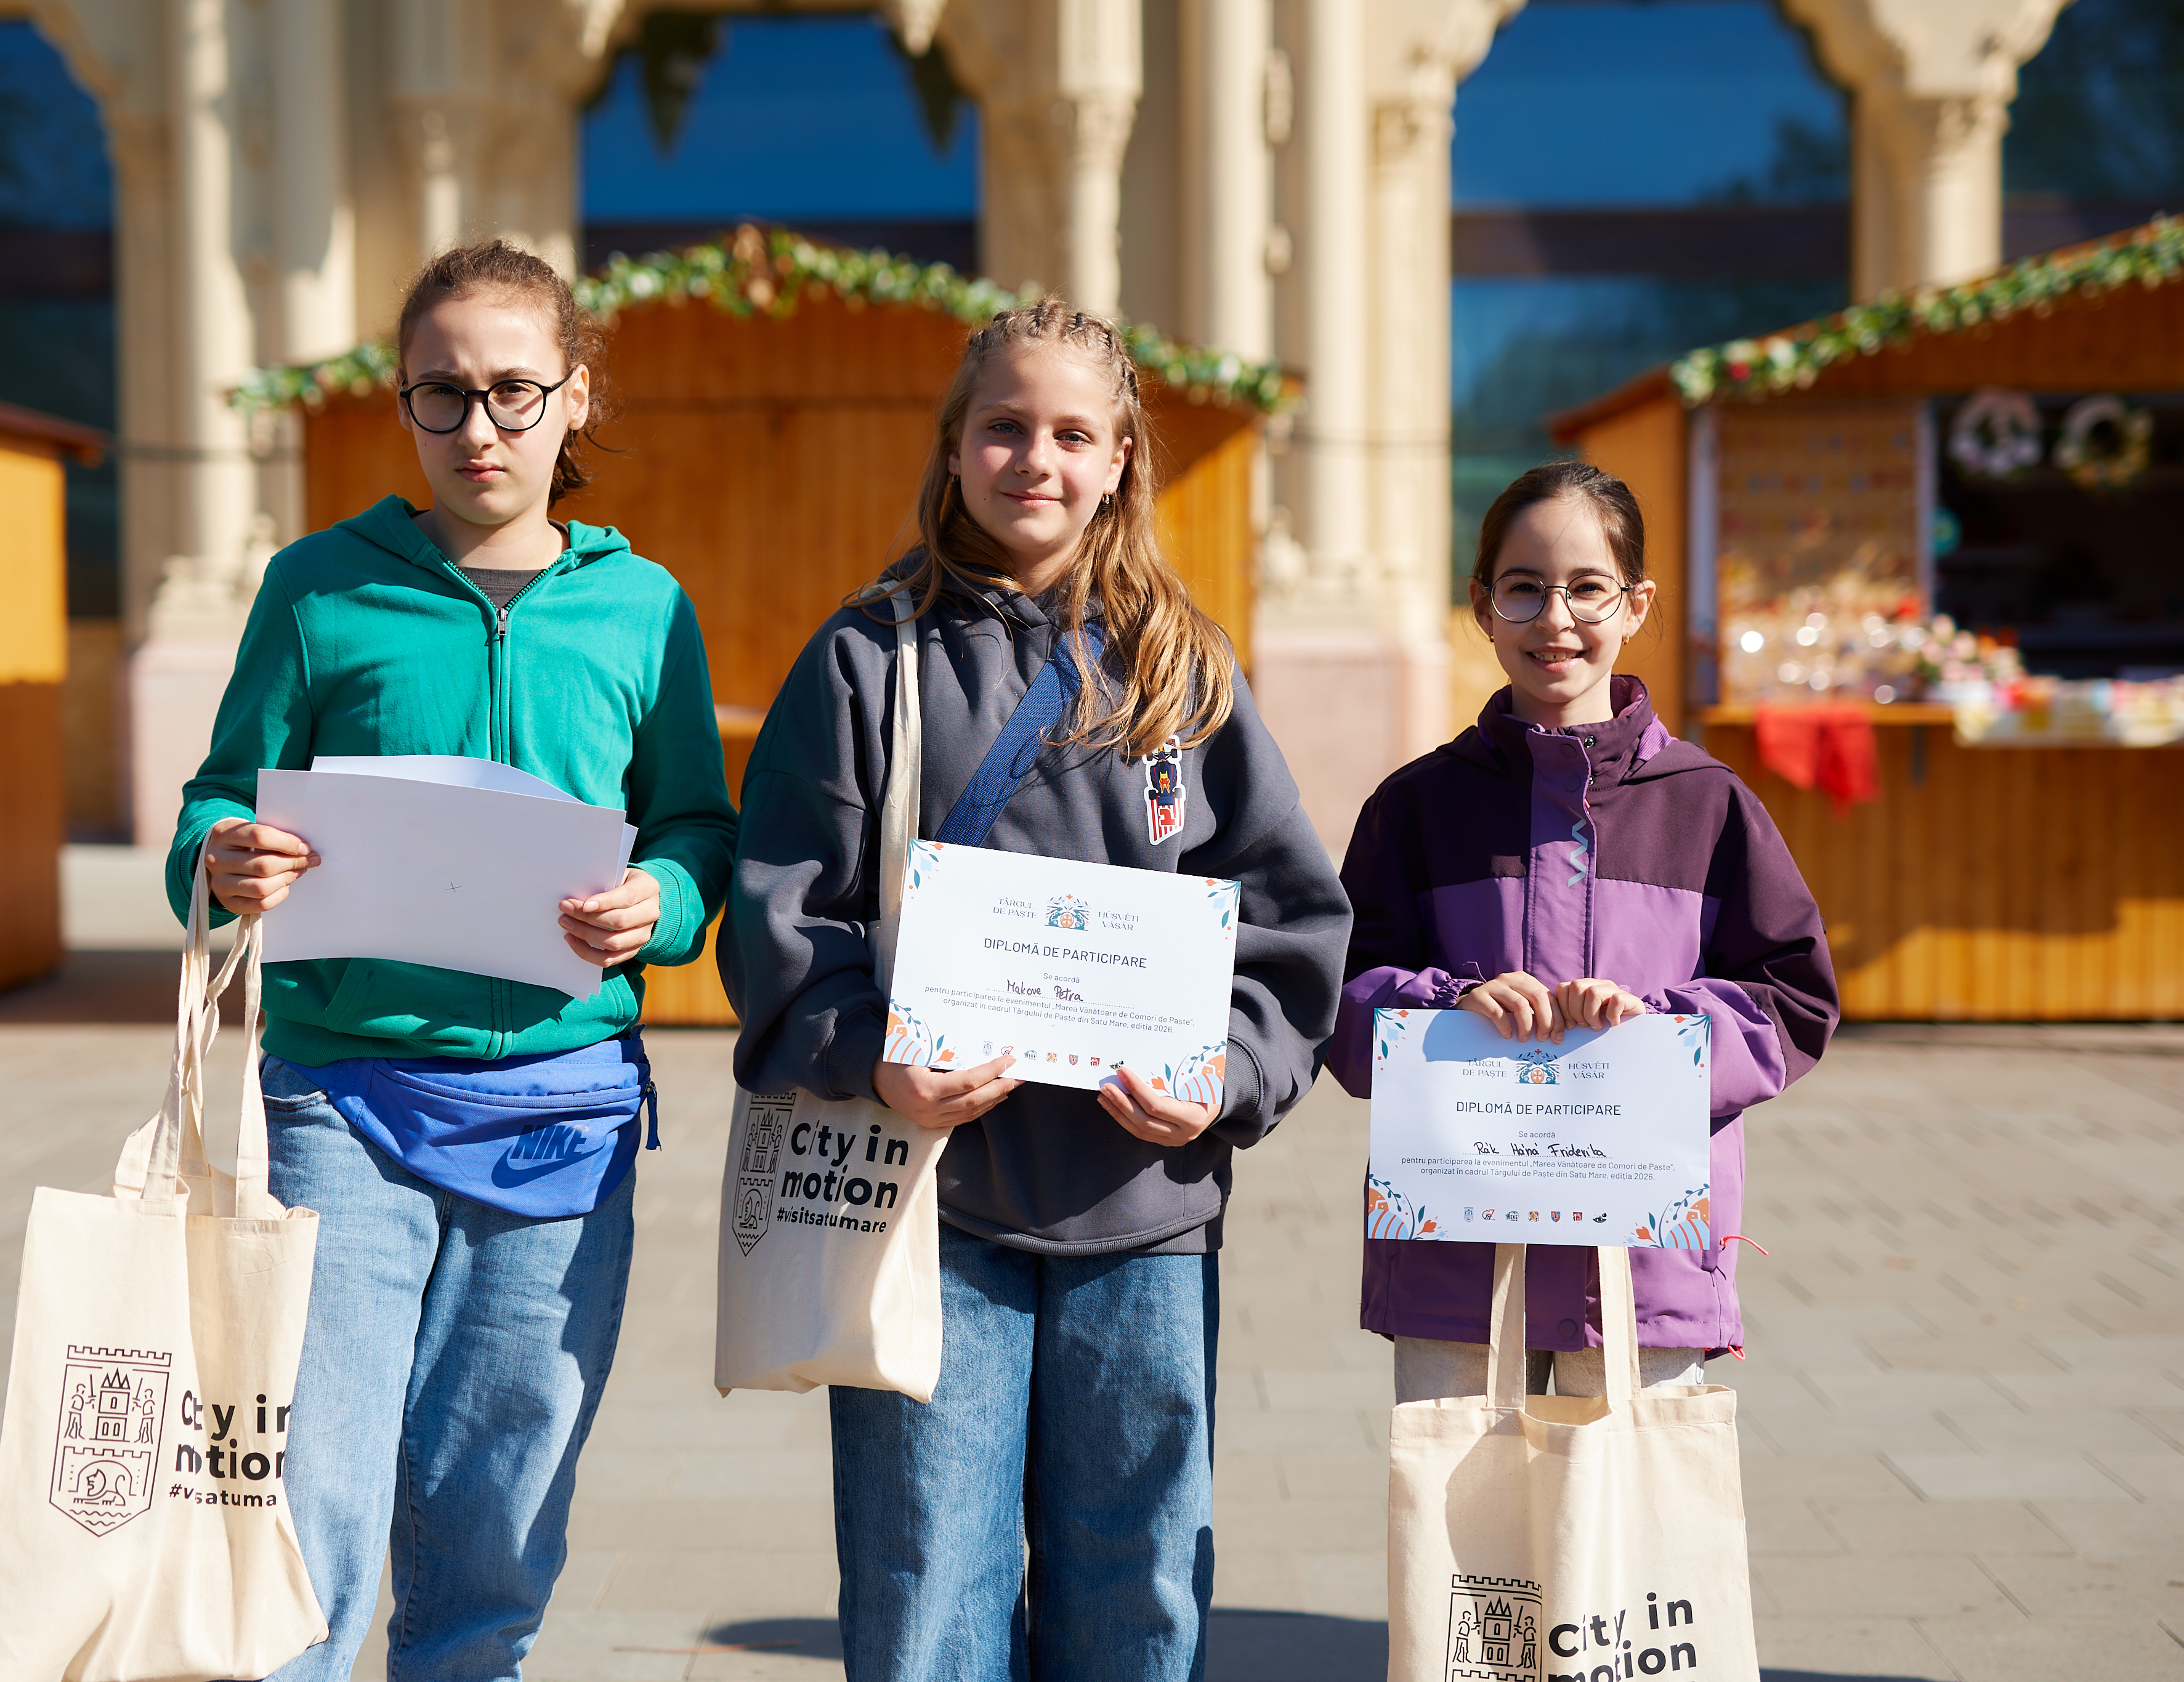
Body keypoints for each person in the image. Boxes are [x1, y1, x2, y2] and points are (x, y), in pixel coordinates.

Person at [721, 298, 1353, 1681]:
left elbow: (1290, 918)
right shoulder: (867, 658)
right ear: (954, 446)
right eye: (1004, 427)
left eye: (1073, 434)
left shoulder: (1183, 667)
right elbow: (780, 912)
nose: (1036, 460)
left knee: (1140, 1593)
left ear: (1121, 459)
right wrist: (868, 1052)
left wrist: (1229, 1075)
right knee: (927, 1587)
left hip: (1145, 1213)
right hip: (929, 1204)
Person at [164, 239, 737, 1680]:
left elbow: (695, 824)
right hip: (340, 1101)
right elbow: (216, 798)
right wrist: (223, 855)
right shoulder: (317, 589)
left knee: (500, 1503)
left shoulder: (644, 605)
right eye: (442, 392)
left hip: (563, 1110)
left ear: (573, 394)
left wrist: (662, 901)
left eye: (512, 390)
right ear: (402, 400)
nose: (478, 427)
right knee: (315, 1492)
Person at [1331, 461, 1838, 1402]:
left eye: (1588, 588)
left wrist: (1664, 1034)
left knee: (1635, 1505)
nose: (1555, 619)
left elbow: (1794, 1000)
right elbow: (1339, 1000)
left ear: (1636, 605)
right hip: (1460, 1271)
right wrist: (1446, 1008)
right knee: (1462, 1504)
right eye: (1524, 588)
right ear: (1482, 606)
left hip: (1644, 1278)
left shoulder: (1708, 806)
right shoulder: (1417, 807)